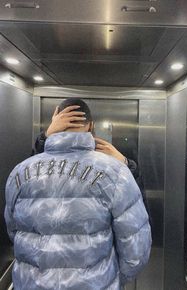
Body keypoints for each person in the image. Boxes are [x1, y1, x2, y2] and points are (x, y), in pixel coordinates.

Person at [5, 98, 152, 290]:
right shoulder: (116, 172)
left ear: (54, 119)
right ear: (91, 126)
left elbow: (13, 232)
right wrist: (109, 280)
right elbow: (136, 250)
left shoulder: (19, 172)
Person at [33, 104, 148, 209]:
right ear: (91, 126)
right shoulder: (114, 169)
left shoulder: (25, 169)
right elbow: (134, 219)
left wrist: (46, 137)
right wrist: (125, 166)